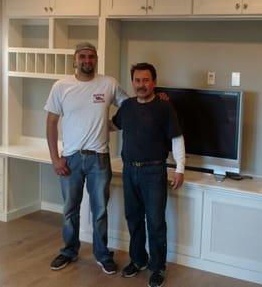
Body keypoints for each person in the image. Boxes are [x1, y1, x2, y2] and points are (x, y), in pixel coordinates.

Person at [44, 42, 127, 274]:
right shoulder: (61, 87)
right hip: (70, 159)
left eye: (91, 57)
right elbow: (51, 123)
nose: (87, 60)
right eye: (83, 56)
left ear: (96, 59)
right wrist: (55, 158)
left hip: (99, 159)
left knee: (99, 210)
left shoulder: (108, 84)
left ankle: (102, 255)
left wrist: (110, 125)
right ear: (75, 59)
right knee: (70, 209)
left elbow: (130, 107)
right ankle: (69, 251)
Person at [112, 62, 185, 287]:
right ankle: (138, 260)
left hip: (154, 172)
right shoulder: (126, 107)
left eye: (146, 80)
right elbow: (111, 126)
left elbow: (176, 138)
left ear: (153, 81)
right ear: (132, 82)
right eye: (137, 80)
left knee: (155, 222)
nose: (141, 85)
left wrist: (180, 168)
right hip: (129, 170)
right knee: (133, 219)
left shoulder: (164, 107)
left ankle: (158, 267)